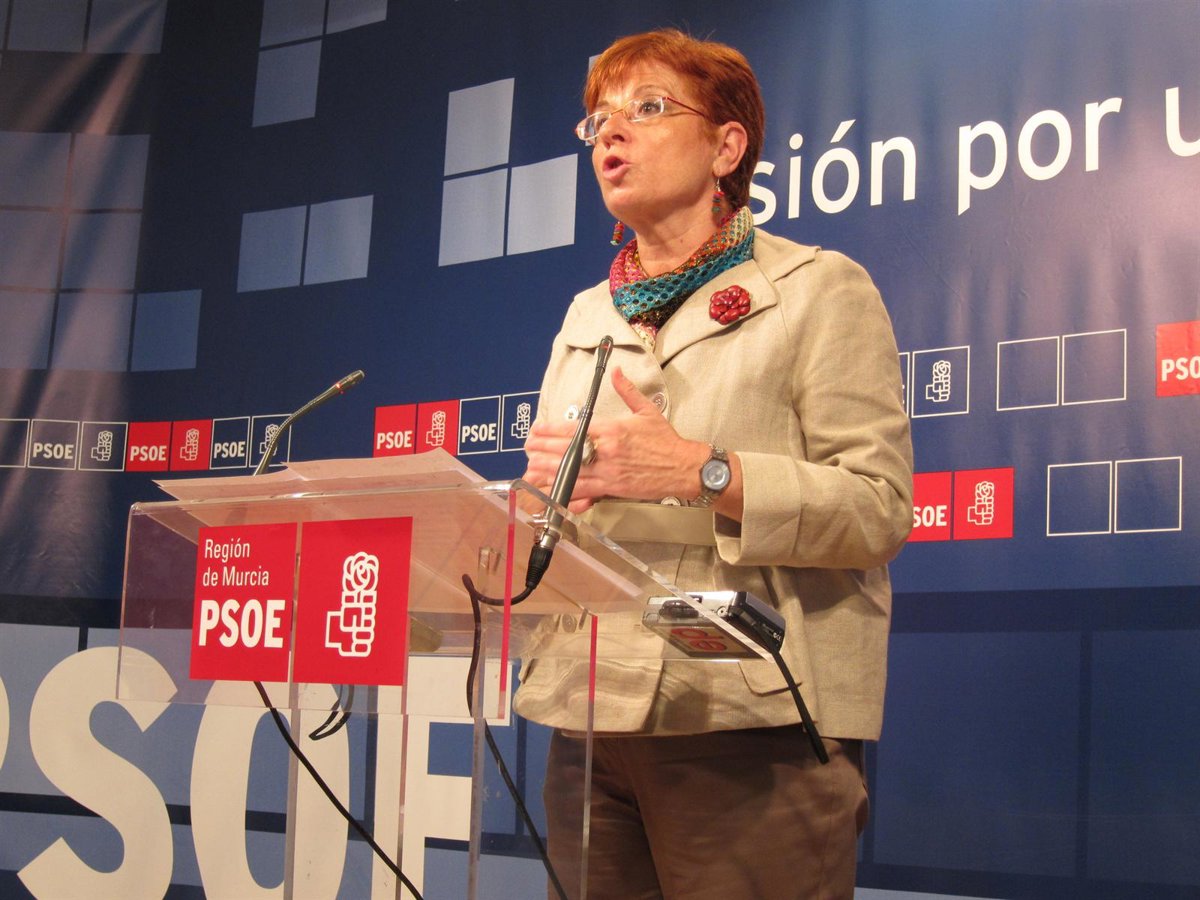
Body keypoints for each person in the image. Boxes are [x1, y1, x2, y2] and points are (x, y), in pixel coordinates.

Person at [516, 28, 913, 900]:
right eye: (599, 120)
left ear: (727, 148)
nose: (612, 133)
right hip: (589, 714)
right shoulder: (586, 315)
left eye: (648, 108)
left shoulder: (819, 289)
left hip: (748, 717)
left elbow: (879, 508)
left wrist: (703, 472)